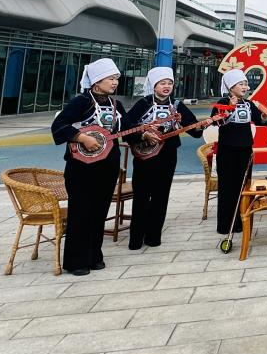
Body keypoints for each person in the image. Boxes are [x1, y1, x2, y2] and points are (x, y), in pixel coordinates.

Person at [50, 58, 127, 276]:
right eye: (110, 78)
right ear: (96, 81)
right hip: (81, 168)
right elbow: (59, 126)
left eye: (116, 78)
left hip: (108, 165)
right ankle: (76, 261)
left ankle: (94, 256)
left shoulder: (116, 105)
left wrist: (147, 132)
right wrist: (81, 137)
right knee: (81, 211)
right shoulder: (81, 102)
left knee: (100, 210)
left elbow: (129, 127)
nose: (115, 82)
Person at [122, 67, 203, 250]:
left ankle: (153, 237)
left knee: (161, 195)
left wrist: (200, 126)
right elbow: (126, 128)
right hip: (145, 156)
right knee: (142, 195)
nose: (167, 86)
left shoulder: (177, 105)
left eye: (170, 83)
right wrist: (143, 134)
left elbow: (192, 127)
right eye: (162, 83)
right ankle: (136, 239)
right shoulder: (143, 104)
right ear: (154, 85)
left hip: (168, 155)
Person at [214, 69, 267, 238]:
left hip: (245, 150)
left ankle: (241, 220)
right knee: (227, 187)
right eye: (241, 84)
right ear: (231, 86)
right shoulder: (222, 102)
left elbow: (262, 121)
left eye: (246, 84)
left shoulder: (248, 103)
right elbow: (217, 122)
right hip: (227, 150)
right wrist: (229, 108)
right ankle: (225, 224)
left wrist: (264, 116)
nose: (245, 87)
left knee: (243, 186)